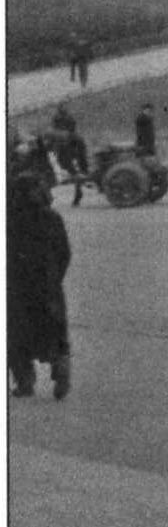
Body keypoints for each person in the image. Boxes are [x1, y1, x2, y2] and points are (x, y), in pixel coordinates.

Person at [8, 171, 72, 399]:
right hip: (48, 285)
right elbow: (64, 252)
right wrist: (54, 278)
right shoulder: (52, 218)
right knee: (54, 329)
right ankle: (60, 363)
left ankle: (25, 381)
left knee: (15, 335)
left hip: (15, 287)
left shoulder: (10, 220)